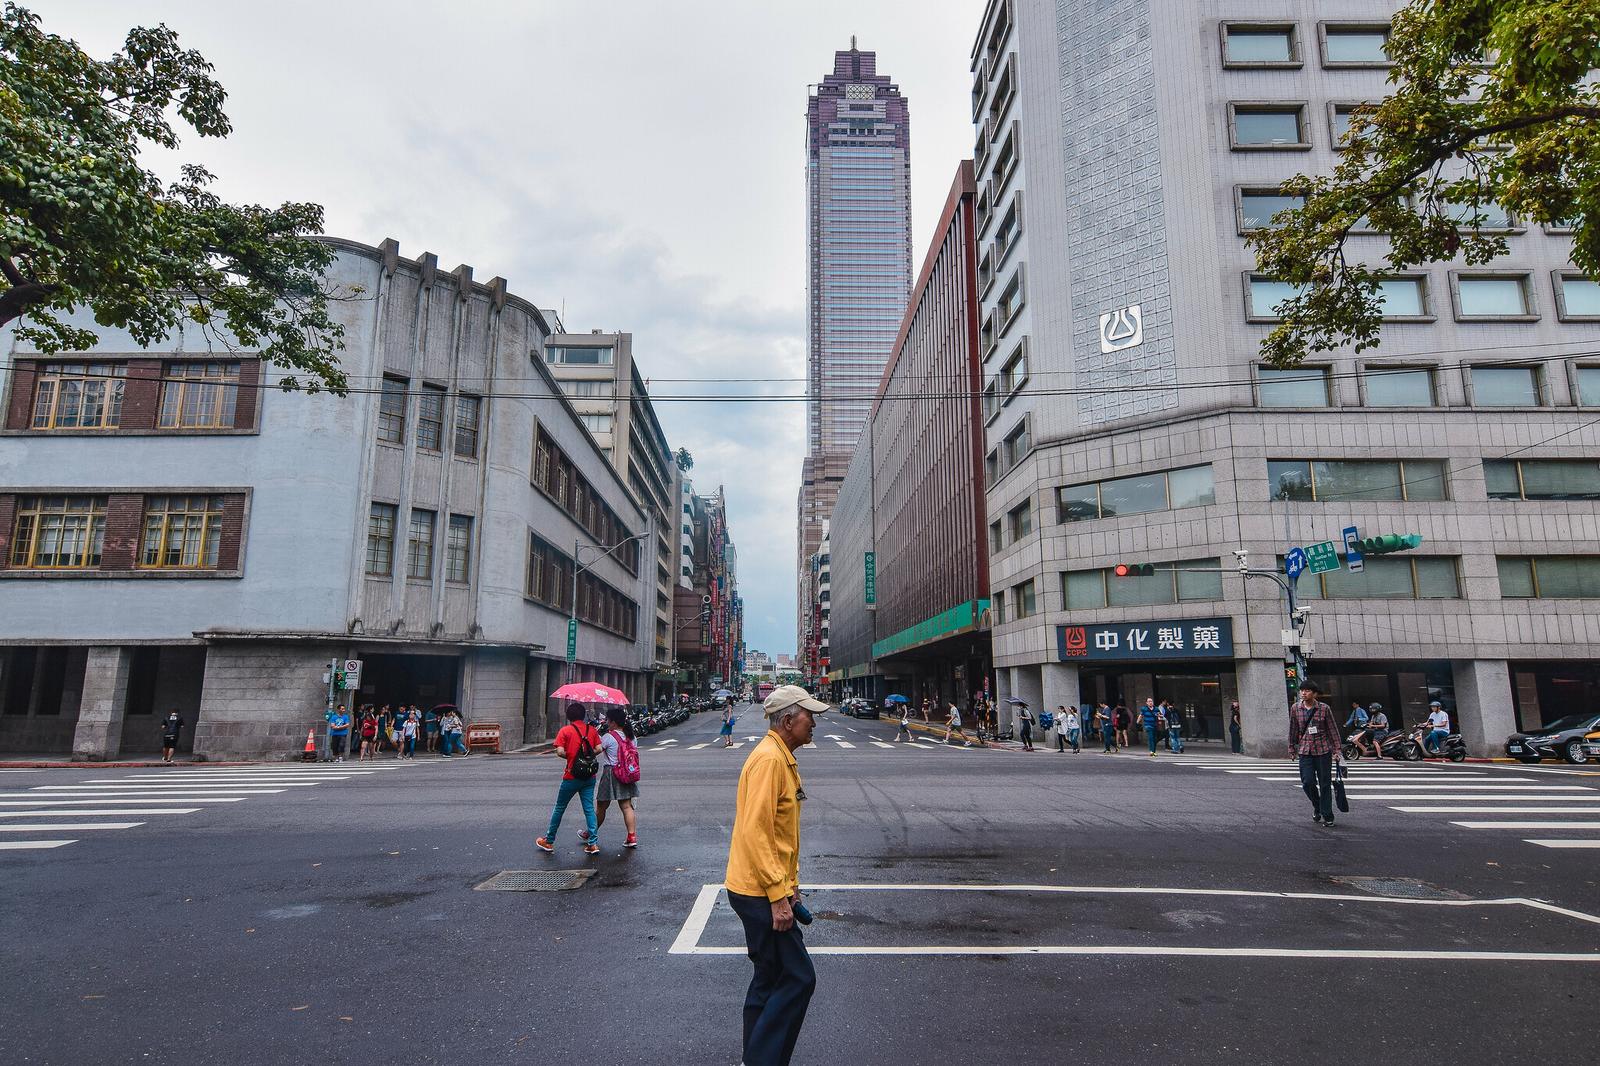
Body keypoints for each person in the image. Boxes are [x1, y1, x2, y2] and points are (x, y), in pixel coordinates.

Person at [724, 684, 827, 1066]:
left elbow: (780, 833)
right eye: (808, 716)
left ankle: (757, 1057)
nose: (813, 723)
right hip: (758, 891)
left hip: (759, 886)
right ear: (788, 721)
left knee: (768, 978)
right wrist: (778, 895)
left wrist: (791, 885)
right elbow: (756, 831)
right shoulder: (770, 760)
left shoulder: (780, 756)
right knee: (799, 976)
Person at [535, 704, 603, 856]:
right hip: (589, 776)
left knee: (559, 808)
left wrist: (572, 757)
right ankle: (593, 843)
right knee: (589, 809)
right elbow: (599, 748)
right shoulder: (591, 730)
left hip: (571, 776)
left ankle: (549, 840)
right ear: (583, 715)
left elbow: (559, 752)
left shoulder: (565, 731)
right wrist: (587, 757)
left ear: (568, 716)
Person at [1289, 681, 1342, 827]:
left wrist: (1337, 750)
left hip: (1323, 750)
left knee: (1325, 784)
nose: (1303, 693)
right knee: (1307, 782)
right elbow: (1293, 728)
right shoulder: (1295, 708)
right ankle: (1317, 806)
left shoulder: (1324, 709)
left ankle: (1327, 815)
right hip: (1305, 751)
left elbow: (1332, 730)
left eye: (1307, 691)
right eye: (1302, 691)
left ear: (1314, 693)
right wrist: (1291, 748)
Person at [594, 705, 640, 848]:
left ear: (613, 722)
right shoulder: (632, 737)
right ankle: (631, 836)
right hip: (627, 773)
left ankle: (591, 833)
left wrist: (595, 736)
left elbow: (596, 750)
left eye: (608, 720)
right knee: (626, 806)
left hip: (611, 773)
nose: (607, 722)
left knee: (601, 806)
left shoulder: (608, 737)